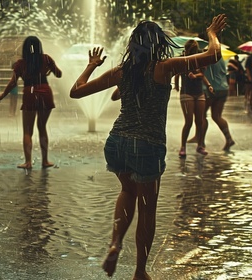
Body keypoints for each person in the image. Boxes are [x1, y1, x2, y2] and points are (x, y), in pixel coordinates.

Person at [69, 14, 227, 279]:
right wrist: (212, 32)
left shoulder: (121, 72)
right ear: (158, 44)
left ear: (134, 45)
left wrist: (91, 65)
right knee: (147, 207)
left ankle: (115, 243)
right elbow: (214, 55)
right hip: (148, 147)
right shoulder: (165, 67)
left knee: (127, 192)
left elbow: (76, 91)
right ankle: (140, 271)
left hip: (116, 142)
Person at [0, 36, 62, 169]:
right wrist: (49, 70)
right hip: (45, 91)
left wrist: (3, 95)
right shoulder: (46, 59)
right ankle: (45, 161)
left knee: (27, 131)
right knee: (42, 127)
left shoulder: (21, 63)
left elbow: (13, 82)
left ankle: (28, 162)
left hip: (30, 92)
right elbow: (59, 74)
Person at [174, 40, 208, 158]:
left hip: (199, 92)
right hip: (186, 92)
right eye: (192, 50)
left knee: (200, 121)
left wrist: (196, 76)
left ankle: (200, 145)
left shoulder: (199, 58)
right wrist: (177, 85)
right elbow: (177, 73)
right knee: (188, 122)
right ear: (187, 49)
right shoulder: (182, 59)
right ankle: (183, 146)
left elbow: (202, 74)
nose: (193, 52)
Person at [202, 57, 236, 151]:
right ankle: (229, 139)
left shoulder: (207, 57)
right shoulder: (220, 58)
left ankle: (201, 142)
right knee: (217, 116)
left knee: (201, 115)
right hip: (223, 88)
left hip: (211, 89)